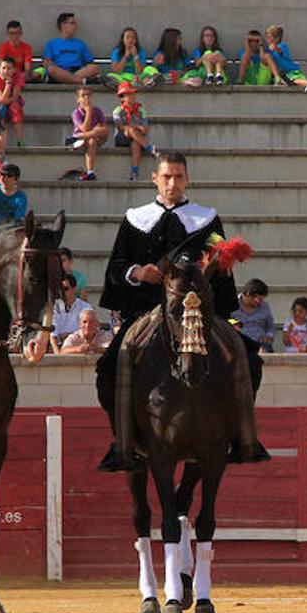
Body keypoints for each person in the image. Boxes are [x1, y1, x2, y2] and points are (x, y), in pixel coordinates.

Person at [95, 151, 267, 471]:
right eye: (166, 177)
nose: (172, 183)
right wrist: (138, 272)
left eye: (178, 176)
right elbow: (116, 267)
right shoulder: (135, 218)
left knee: (249, 359)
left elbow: (223, 266)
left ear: (187, 179)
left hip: (197, 311)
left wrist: (210, 272)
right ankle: (123, 442)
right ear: (155, 180)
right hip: (146, 311)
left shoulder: (207, 219)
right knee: (108, 366)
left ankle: (244, 437)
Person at [111, 82, 153, 182]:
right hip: (122, 138)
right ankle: (149, 147)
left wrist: (139, 128)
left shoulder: (141, 109)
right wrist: (136, 127)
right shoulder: (117, 111)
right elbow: (120, 126)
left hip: (137, 137)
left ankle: (135, 170)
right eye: (128, 94)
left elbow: (146, 128)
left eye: (133, 94)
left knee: (135, 144)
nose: (132, 96)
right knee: (130, 130)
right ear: (122, 98)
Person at [233, 277, 276, 351]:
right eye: (258, 299)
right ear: (247, 294)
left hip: (260, 343)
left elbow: (270, 327)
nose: (260, 302)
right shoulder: (231, 304)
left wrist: (269, 336)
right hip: (237, 343)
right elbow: (225, 321)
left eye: (262, 299)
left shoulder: (265, 307)